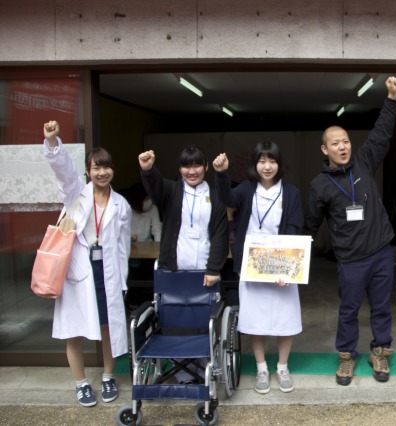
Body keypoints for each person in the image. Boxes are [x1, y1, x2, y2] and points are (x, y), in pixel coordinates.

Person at [304, 76, 396, 386]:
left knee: (382, 306)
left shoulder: (363, 161)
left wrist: (391, 99)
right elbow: (310, 224)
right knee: (349, 310)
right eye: (336, 143)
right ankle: (346, 357)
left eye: (345, 141)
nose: (343, 146)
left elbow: (381, 134)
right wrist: (295, 256)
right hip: (351, 260)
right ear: (325, 149)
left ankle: (380, 351)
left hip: (382, 252)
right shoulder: (319, 185)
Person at [43, 120, 131, 407]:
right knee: (76, 329)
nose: (102, 172)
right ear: (87, 170)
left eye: (106, 167)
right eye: (96, 167)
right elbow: (62, 169)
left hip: (108, 271)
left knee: (109, 327)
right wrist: (54, 143)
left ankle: (107, 377)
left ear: (112, 170)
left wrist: (123, 281)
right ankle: (81, 384)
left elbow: (122, 247)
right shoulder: (75, 194)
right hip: (79, 270)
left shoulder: (121, 204)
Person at [212, 141, 304, 394]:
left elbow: (295, 226)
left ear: (279, 164)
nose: (267, 166)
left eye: (272, 161)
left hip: (282, 263)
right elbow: (226, 198)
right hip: (252, 264)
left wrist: (288, 269)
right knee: (256, 319)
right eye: (262, 161)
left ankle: (282, 367)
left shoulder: (291, 192)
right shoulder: (246, 188)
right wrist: (221, 174)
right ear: (255, 165)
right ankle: (262, 367)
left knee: (286, 317)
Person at [138, 145, 228, 383]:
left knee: (202, 318)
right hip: (174, 268)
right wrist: (148, 170)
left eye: (197, 165)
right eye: (187, 166)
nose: (192, 171)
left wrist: (214, 268)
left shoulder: (216, 194)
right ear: (180, 169)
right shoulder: (171, 190)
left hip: (203, 270)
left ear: (206, 167)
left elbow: (220, 233)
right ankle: (182, 372)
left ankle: (203, 366)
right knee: (176, 318)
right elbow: (155, 186)